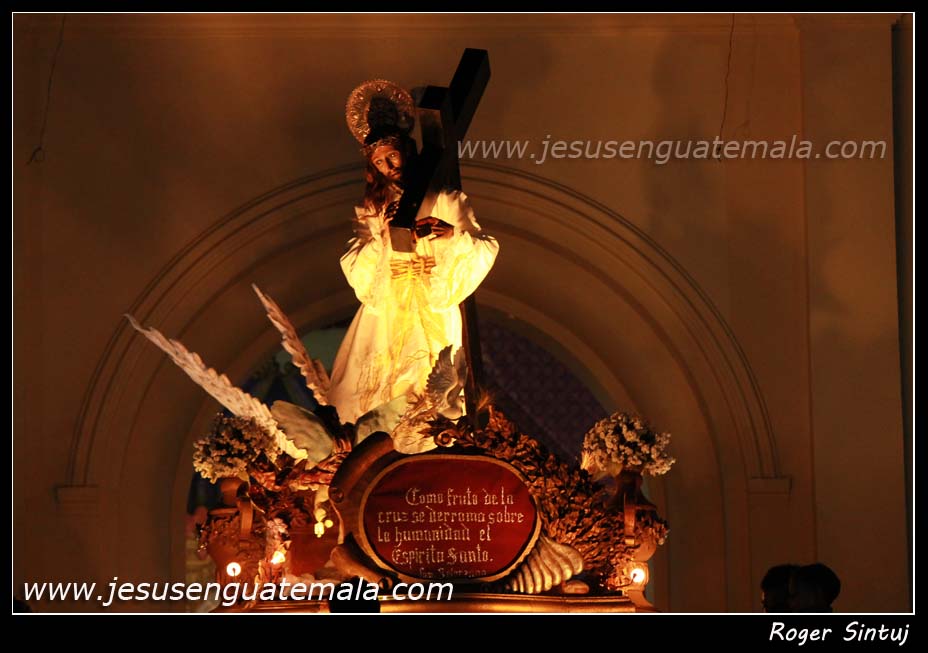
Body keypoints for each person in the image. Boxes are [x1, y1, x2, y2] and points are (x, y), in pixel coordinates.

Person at [327, 80, 499, 424]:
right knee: (380, 382)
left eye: (392, 155)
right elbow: (356, 264)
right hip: (390, 305)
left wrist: (449, 236)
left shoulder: (445, 199)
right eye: (379, 161)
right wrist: (384, 235)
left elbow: (483, 246)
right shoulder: (371, 211)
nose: (388, 165)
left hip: (432, 300)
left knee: (433, 379)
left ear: (406, 149)